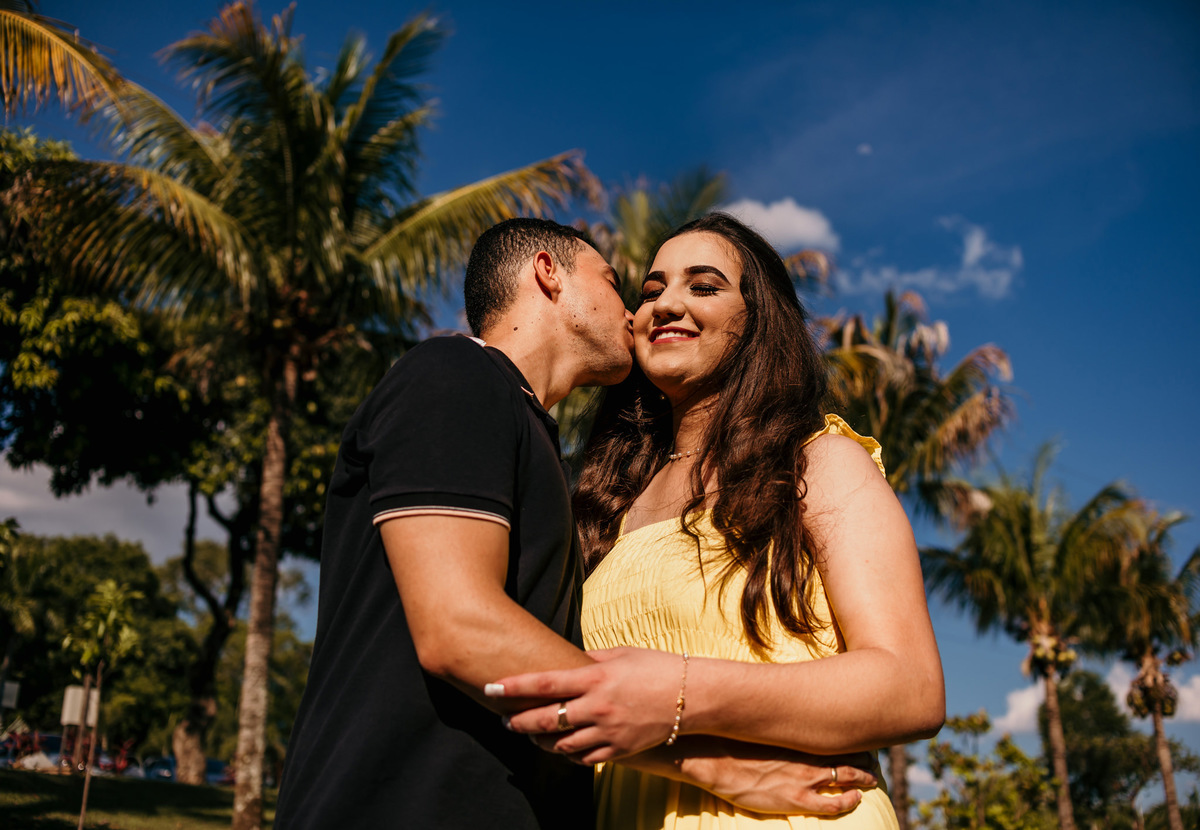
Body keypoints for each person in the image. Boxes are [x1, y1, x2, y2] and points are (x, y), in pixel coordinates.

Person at [274, 218, 881, 829]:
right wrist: (711, 763)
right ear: (548, 274)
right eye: (623, 285)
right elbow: (459, 626)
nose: (638, 312)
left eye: (700, 287)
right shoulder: (458, 372)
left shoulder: (547, 458)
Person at [490, 213, 946, 828]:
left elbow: (911, 686)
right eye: (651, 291)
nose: (665, 305)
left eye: (703, 286)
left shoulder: (816, 462)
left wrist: (678, 692)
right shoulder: (602, 506)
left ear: (757, 323)